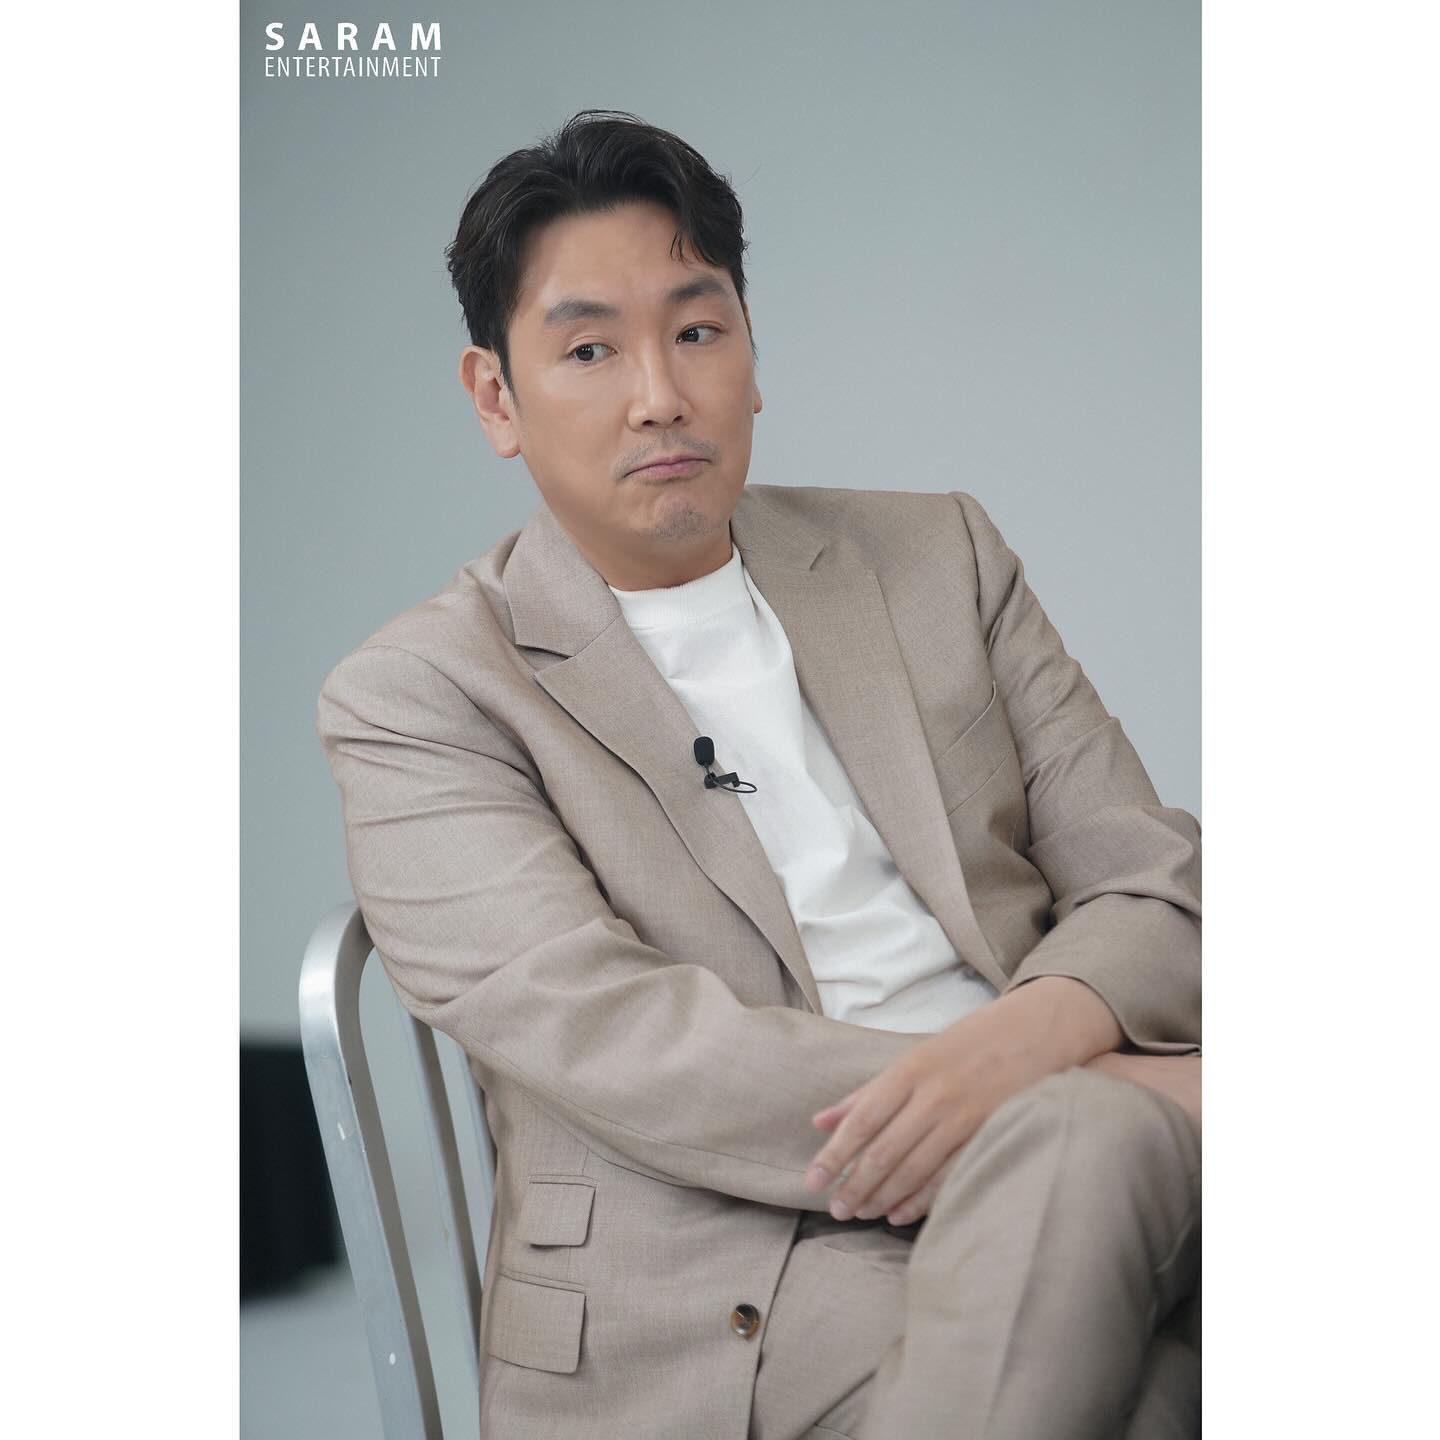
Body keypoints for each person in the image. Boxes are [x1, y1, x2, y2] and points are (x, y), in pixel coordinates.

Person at [316, 109, 1201, 1440]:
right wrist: (1062, 1092)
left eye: (696, 329)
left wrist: (1037, 1041)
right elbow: (632, 1047)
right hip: (742, 1271)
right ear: (496, 397)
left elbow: (1156, 882)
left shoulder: (937, 558)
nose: (659, 394)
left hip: (1103, 1165)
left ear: (750, 349)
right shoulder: (420, 693)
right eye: (589, 349)